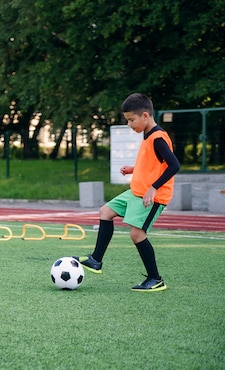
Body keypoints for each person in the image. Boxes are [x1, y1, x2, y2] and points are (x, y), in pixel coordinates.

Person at [74, 93, 180, 292]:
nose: (130, 124)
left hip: (152, 196)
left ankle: (155, 279)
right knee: (105, 212)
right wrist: (133, 169)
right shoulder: (147, 135)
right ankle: (96, 260)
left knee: (137, 234)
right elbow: (154, 163)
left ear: (145, 116)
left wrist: (154, 187)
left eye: (132, 120)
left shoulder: (158, 138)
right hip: (136, 191)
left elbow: (174, 165)